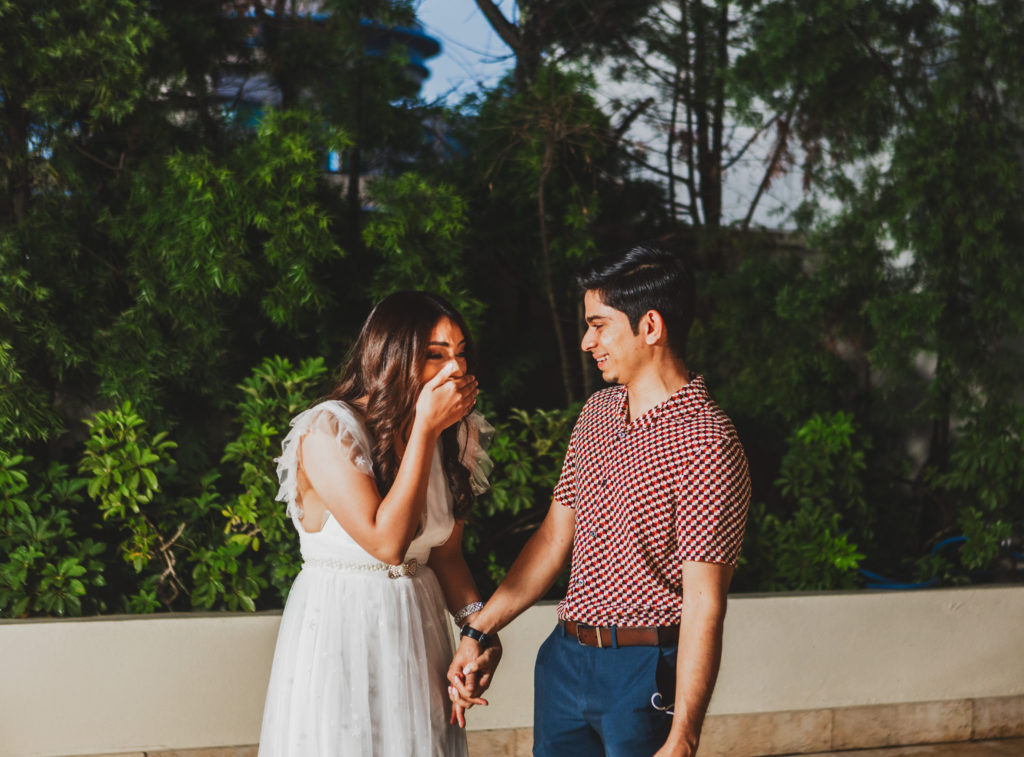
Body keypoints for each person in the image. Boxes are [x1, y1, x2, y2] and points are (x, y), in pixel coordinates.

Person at [448, 243, 751, 757]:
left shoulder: (707, 441)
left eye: (599, 324)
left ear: (650, 327)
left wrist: (684, 736)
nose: (587, 341)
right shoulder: (598, 412)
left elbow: (704, 601)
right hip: (564, 661)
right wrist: (479, 630)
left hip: (641, 676)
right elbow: (553, 536)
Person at [258, 291, 500, 757]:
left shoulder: (459, 433)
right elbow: (387, 543)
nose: (456, 368)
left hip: (421, 627)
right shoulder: (329, 430)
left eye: (461, 352)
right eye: (435, 354)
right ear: (391, 355)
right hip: (342, 627)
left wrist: (479, 634)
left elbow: (446, 555)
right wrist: (425, 431)